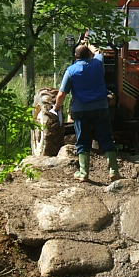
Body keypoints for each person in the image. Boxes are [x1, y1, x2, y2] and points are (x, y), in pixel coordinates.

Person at [52, 42, 121, 182]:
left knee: (83, 141)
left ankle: (84, 173)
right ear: (89, 54)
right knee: (107, 139)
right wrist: (89, 44)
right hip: (101, 108)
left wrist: (57, 108)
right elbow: (98, 52)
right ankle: (113, 171)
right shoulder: (98, 64)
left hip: (81, 111)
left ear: (75, 56)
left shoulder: (71, 71)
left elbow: (61, 95)